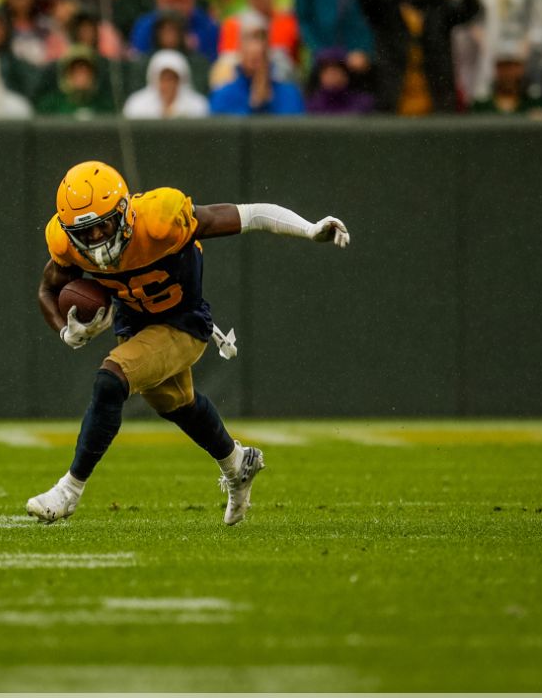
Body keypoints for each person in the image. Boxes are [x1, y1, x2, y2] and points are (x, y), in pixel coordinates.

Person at [27, 161, 349, 525]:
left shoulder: (162, 218)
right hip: (134, 324)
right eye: (85, 232)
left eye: (103, 224)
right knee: (177, 404)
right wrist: (65, 331)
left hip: (183, 322)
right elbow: (47, 289)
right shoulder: (67, 242)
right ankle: (237, 463)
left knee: (109, 380)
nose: (97, 238)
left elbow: (252, 215)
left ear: (124, 212)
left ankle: (69, 491)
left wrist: (310, 229)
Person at [357, 0, 480, 115]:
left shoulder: (440, 8)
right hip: (393, 98)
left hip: (436, 99)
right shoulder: (386, 8)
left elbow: (470, 10)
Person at [208, 35, 304, 116]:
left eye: (260, 59)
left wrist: (266, 103)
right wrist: (255, 106)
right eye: (252, 60)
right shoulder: (223, 96)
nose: (256, 67)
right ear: (241, 58)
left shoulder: (289, 94)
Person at [122, 49, 208, 119]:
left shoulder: (198, 105)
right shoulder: (136, 104)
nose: (168, 84)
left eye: (172, 78)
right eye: (163, 79)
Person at [305, 46, 375, 115]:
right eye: (326, 70)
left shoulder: (363, 104)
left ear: (347, 75)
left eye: (336, 70)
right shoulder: (311, 106)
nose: (331, 75)